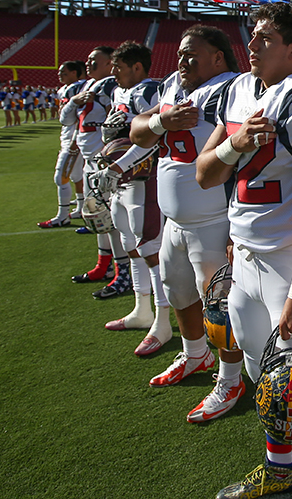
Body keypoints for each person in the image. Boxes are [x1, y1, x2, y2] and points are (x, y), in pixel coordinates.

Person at [196, 5, 292, 499]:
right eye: (253, 35)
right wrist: (233, 145)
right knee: (265, 377)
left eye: (265, 38)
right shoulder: (237, 90)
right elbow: (205, 173)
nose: (252, 44)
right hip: (246, 257)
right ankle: (279, 469)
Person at [128, 27, 243, 379]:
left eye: (191, 53)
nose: (181, 60)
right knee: (176, 290)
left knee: (220, 304)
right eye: (179, 53)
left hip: (214, 219)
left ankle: (230, 377)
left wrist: (236, 229)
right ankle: (195, 355)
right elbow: (136, 130)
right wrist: (163, 121)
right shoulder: (171, 86)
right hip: (175, 221)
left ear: (217, 57)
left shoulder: (231, 89)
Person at [94, 41, 172, 353]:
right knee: (130, 246)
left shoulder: (149, 90)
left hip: (142, 178)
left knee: (150, 247)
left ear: (137, 67)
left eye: (118, 67)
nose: (113, 73)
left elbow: (156, 134)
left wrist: (122, 164)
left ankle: (163, 319)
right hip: (120, 179)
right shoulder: (118, 92)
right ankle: (142, 309)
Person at [63, 47, 125, 287]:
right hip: (89, 159)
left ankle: (122, 270)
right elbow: (66, 119)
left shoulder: (111, 86)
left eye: (93, 59)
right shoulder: (86, 86)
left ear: (110, 63)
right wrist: (73, 103)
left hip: (103, 161)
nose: (87, 63)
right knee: (97, 216)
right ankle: (104, 264)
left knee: (111, 217)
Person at [39, 62, 86, 229]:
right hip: (69, 136)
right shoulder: (65, 89)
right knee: (76, 176)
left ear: (74, 73)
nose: (60, 74)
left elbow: (81, 116)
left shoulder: (79, 88)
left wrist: (75, 139)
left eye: (64, 72)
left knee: (61, 177)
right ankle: (81, 208)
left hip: (74, 138)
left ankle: (62, 216)